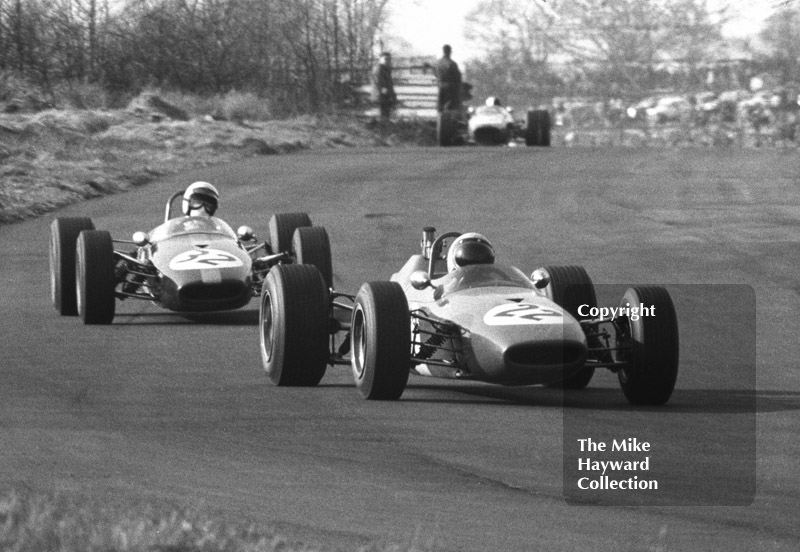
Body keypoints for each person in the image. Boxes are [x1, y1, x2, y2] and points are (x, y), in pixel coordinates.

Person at [435, 44, 462, 112]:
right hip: (450, 89)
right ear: (450, 52)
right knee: (452, 108)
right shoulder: (452, 64)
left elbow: (435, 74)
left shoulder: (437, 63)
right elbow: (458, 78)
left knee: (440, 109)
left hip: (440, 87)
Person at [375, 52, 397, 121]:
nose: (388, 61)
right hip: (383, 95)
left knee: (388, 113)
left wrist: (393, 95)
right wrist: (387, 95)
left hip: (387, 93)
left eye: (389, 59)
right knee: (384, 113)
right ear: (380, 60)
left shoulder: (387, 69)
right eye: (386, 59)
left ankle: (386, 124)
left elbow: (389, 83)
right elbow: (380, 83)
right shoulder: (379, 69)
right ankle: (383, 125)